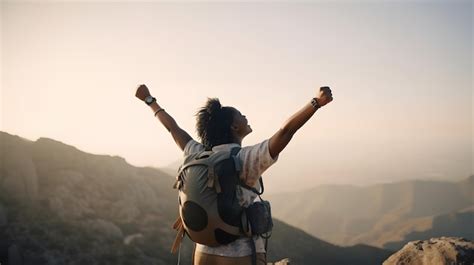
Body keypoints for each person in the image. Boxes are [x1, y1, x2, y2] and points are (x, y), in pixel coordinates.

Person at [135, 84, 333, 265]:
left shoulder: (196, 153)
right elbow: (286, 131)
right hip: (240, 255)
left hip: (202, 253)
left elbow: (172, 128)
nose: (245, 116)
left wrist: (149, 100)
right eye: (241, 115)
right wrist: (316, 103)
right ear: (234, 127)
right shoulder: (245, 159)